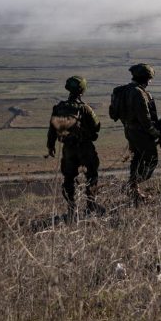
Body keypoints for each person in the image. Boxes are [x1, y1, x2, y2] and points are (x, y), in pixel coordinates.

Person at [46, 76, 101, 221]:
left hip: (68, 149)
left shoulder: (58, 107)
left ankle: (71, 209)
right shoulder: (85, 108)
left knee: (69, 179)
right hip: (85, 148)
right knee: (92, 176)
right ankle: (90, 206)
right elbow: (97, 126)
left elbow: (52, 129)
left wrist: (50, 146)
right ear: (82, 90)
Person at [121, 63, 161, 205]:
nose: (150, 81)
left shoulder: (127, 90)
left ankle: (134, 191)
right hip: (140, 132)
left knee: (137, 159)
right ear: (145, 78)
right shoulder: (138, 93)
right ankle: (131, 185)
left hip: (130, 130)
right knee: (152, 159)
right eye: (149, 78)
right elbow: (144, 118)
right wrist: (155, 132)